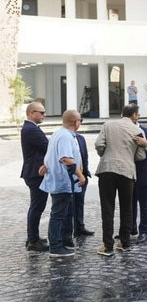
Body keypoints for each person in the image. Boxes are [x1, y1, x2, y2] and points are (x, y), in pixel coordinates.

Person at [94, 104, 147, 256]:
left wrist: (105, 154)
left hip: (107, 170)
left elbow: (99, 144)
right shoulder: (138, 131)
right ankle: (125, 243)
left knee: (107, 208)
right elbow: (141, 156)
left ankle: (108, 246)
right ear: (134, 115)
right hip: (127, 171)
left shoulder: (108, 124)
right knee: (127, 208)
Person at [41, 110, 86, 258]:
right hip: (62, 181)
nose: (81, 123)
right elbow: (65, 158)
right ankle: (55, 247)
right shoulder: (66, 136)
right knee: (58, 215)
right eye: (81, 120)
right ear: (76, 122)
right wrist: (81, 176)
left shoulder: (58, 134)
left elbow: (50, 156)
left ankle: (61, 242)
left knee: (61, 213)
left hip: (59, 180)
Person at [21, 102, 49, 252]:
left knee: (36, 206)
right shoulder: (31, 129)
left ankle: (33, 237)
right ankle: (33, 241)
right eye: (41, 112)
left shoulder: (31, 128)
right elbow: (47, 146)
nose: (44, 115)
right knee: (37, 207)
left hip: (34, 172)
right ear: (31, 113)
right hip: (35, 173)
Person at [73, 130, 94, 237]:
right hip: (71, 177)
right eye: (79, 120)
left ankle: (79, 227)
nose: (80, 122)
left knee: (80, 202)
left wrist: (85, 172)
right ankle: (69, 230)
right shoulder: (65, 138)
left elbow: (84, 156)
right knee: (70, 204)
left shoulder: (81, 138)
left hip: (83, 175)